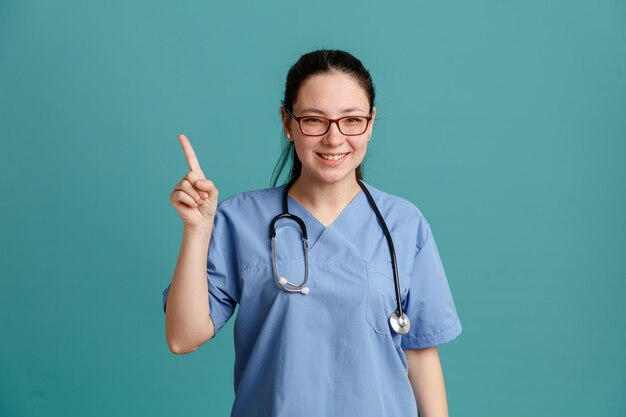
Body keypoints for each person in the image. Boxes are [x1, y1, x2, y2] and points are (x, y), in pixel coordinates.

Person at [162, 49, 462, 417]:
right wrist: (196, 230)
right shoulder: (239, 220)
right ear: (288, 124)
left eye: (351, 120)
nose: (334, 138)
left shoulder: (404, 223)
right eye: (314, 120)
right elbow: (182, 337)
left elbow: (419, 351)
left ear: (370, 123)